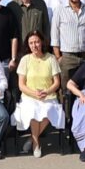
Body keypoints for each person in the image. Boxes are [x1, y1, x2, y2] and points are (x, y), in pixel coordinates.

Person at [13, 30, 63, 158]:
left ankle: (32, 138)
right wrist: (35, 94)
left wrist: (46, 92)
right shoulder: (25, 59)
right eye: (31, 43)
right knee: (34, 111)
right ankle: (36, 144)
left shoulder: (51, 58)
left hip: (48, 96)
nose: (34, 45)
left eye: (36, 42)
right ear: (28, 45)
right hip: (29, 96)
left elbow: (57, 82)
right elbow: (21, 85)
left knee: (49, 111)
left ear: (42, 43)